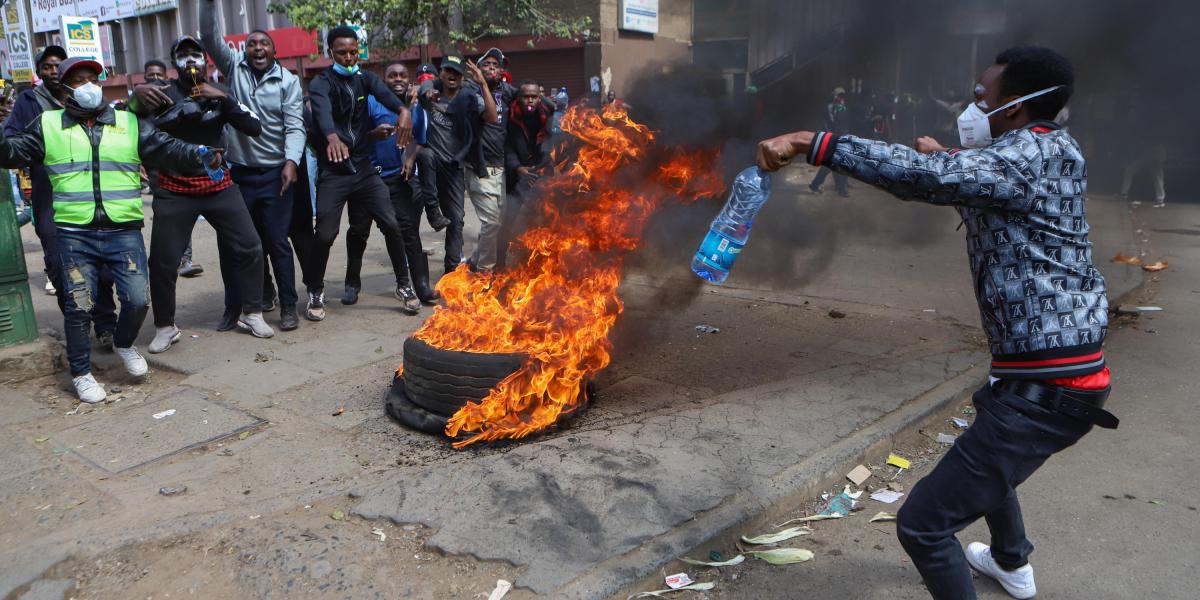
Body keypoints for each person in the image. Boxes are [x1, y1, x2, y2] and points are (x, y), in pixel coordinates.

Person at [756, 46, 1116, 600]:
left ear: (1015, 107)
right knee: (987, 439)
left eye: (982, 96)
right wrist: (950, 160)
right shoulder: (1054, 148)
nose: (974, 105)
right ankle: (1010, 562)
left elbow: (921, 178)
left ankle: (1007, 562)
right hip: (1050, 371)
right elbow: (989, 198)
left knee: (922, 525)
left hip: (1047, 388)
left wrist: (812, 142)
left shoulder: (1020, 156)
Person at [0, 57, 219, 402]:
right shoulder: (48, 124)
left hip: (123, 230)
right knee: (77, 306)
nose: (87, 84)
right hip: (74, 233)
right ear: (65, 87)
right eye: (79, 79)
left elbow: (167, 148)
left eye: (92, 78)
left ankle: (123, 342)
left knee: (136, 300)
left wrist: (200, 154)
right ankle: (82, 373)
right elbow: (11, 152)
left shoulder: (128, 123)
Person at [131, 36, 273, 352]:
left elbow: (255, 127)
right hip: (174, 188)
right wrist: (133, 96)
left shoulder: (218, 94)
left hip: (217, 184)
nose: (190, 60)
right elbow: (129, 121)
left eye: (196, 54)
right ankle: (166, 326)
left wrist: (222, 98)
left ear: (206, 61)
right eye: (183, 55)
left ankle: (251, 312)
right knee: (163, 262)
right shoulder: (160, 94)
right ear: (174, 63)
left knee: (250, 246)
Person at [199, 0, 306, 331]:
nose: (258, 48)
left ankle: (288, 305)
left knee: (276, 241)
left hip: (276, 175)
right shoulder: (234, 68)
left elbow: (295, 126)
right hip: (240, 175)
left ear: (273, 51)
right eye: (252, 44)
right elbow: (208, 34)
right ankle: (242, 305)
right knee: (241, 244)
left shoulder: (287, 81)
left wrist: (291, 161)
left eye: (264, 44)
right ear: (244, 51)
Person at [4, 45, 120, 344]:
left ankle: (106, 324)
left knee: (101, 266)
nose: (52, 71)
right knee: (59, 264)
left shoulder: (98, 104)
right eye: (47, 66)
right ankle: (77, 325)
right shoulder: (30, 101)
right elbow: (12, 144)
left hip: (94, 195)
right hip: (50, 196)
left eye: (58, 66)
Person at [305, 26, 413, 321]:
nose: (349, 57)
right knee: (325, 234)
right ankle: (315, 289)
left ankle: (404, 286)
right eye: (342, 52)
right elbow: (323, 112)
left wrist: (404, 111)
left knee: (391, 223)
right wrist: (330, 136)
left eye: (353, 52)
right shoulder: (321, 82)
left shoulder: (365, 79)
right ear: (330, 53)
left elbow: (389, 99)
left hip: (364, 169)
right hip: (334, 172)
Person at [339, 61, 428, 312]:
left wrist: (409, 159)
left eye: (402, 75)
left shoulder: (414, 107)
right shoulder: (370, 102)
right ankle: (352, 283)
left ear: (408, 79)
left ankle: (415, 284)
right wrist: (373, 133)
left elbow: (420, 138)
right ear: (384, 80)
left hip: (397, 178)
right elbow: (354, 135)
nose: (397, 79)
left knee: (403, 230)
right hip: (367, 177)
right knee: (358, 231)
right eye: (392, 75)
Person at [410, 52, 494, 278]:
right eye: (448, 71)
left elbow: (492, 116)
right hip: (431, 164)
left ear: (462, 77)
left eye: (457, 73)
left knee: (456, 219)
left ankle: (451, 269)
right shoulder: (431, 88)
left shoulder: (468, 96)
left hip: (454, 166)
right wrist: (425, 89)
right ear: (441, 73)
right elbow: (421, 85)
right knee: (426, 155)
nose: (452, 76)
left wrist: (483, 83)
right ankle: (433, 210)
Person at [498, 79, 552, 271]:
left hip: (541, 174)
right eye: (526, 97)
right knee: (508, 220)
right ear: (519, 98)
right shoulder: (510, 116)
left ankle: (542, 264)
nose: (530, 101)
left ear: (540, 97)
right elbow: (506, 146)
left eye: (534, 97)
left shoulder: (548, 115)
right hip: (517, 174)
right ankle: (499, 263)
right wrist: (518, 168)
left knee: (545, 219)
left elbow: (551, 145)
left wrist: (540, 169)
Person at [466, 47, 511, 274]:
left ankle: (475, 259)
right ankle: (484, 272)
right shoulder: (470, 90)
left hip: (501, 167)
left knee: (497, 224)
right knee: (491, 222)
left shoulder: (507, 92)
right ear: (479, 69)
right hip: (479, 167)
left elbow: (532, 97)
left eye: (496, 65)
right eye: (487, 64)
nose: (491, 68)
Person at [808, 87, 850, 197]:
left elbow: (845, 123)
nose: (840, 98)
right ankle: (840, 189)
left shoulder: (843, 107)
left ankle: (817, 185)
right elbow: (828, 123)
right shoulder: (829, 108)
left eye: (842, 96)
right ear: (833, 96)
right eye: (838, 95)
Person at [1120, 143, 1167, 208]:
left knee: (1158, 178)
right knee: (1129, 170)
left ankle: (1160, 200)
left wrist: (1160, 155)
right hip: (1147, 152)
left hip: (1157, 151)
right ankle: (1124, 194)